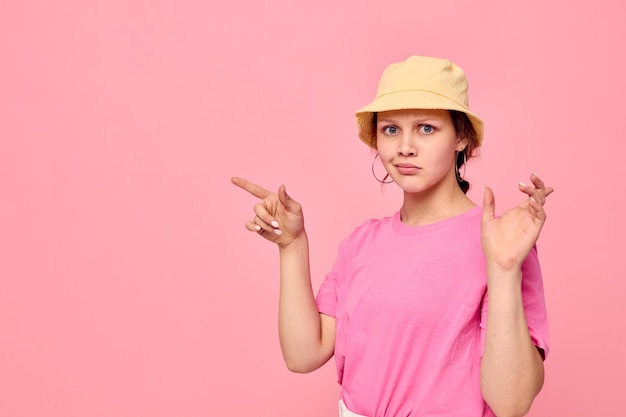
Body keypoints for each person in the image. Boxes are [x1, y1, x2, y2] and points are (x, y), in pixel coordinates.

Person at [231, 55, 552, 417]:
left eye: (426, 128)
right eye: (391, 129)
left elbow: (512, 403)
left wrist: (505, 269)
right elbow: (304, 355)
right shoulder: (361, 243)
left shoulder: (498, 242)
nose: (405, 147)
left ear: (461, 137)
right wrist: (292, 246)